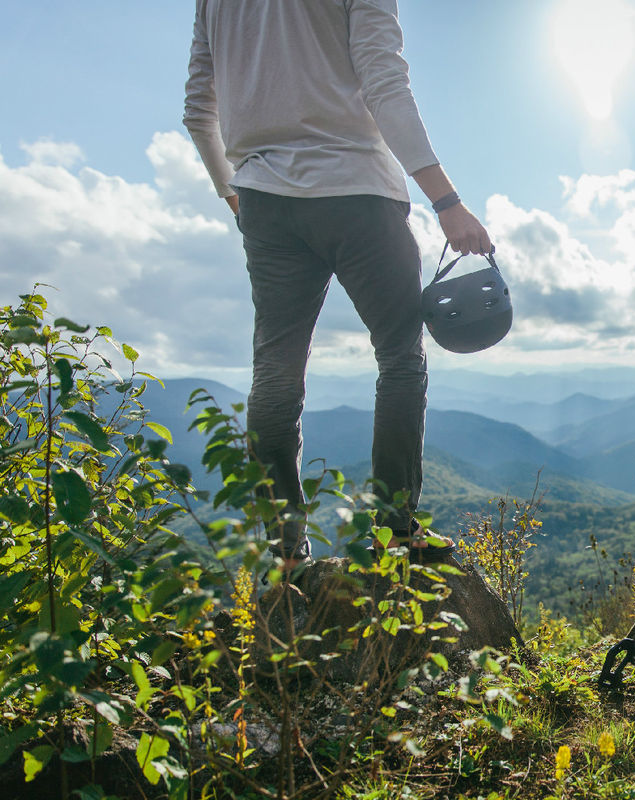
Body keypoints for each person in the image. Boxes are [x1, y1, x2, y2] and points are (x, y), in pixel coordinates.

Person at [182, 0, 491, 566]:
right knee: (399, 358)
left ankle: (286, 553)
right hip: (358, 192)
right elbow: (384, 85)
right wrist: (446, 201)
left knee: (275, 371)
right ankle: (395, 533)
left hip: (265, 201)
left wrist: (234, 194)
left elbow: (198, 110)